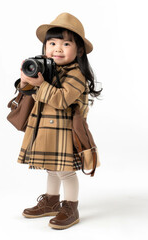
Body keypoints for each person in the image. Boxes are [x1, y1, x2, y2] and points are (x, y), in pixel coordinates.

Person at [16, 13, 101, 230]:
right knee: (51, 169)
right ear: (45, 47)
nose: (58, 48)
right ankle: (52, 201)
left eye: (65, 43)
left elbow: (62, 99)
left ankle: (71, 207)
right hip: (45, 130)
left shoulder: (76, 75)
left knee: (65, 171)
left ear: (79, 50)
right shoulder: (46, 68)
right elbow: (31, 94)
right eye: (52, 43)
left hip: (64, 131)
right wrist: (26, 81)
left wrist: (40, 84)